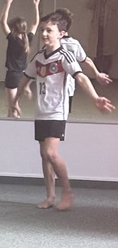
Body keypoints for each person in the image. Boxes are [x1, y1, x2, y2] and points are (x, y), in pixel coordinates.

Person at [13, 11, 114, 211]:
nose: (44, 34)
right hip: (41, 111)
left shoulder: (65, 55)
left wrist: (95, 98)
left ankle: (67, 191)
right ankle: (50, 196)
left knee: (51, 152)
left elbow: (81, 77)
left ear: (61, 33)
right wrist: (14, 101)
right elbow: (25, 78)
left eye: (49, 30)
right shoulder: (39, 57)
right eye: (42, 30)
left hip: (57, 110)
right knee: (44, 155)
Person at [0, 0, 40, 118]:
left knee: (13, 107)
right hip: (23, 75)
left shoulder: (13, 39)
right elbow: (35, 23)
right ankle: (25, 89)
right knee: (12, 107)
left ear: (13, 29)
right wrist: (36, 5)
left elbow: (2, 22)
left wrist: (8, 3)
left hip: (12, 75)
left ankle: (16, 119)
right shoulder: (28, 39)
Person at [86, 0, 118, 74]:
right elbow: (89, 6)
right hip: (98, 28)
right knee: (97, 51)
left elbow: (115, 6)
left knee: (108, 52)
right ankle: (97, 73)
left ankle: (106, 72)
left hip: (109, 29)